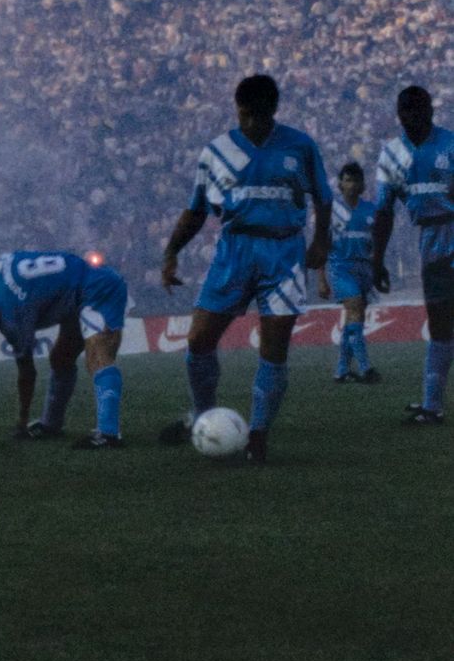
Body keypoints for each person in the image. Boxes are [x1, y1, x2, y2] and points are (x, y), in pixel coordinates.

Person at [157, 73, 330, 464]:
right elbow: (196, 209)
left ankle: (258, 434)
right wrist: (171, 252)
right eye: (245, 115)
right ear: (237, 109)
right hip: (233, 251)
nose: (250, 123)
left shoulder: (300, 146)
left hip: (284, 252)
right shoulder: (216, 152)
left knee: (273, 350)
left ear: (274, 110)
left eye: (259, 116)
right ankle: (202, 415)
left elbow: (323, 198)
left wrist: (321, 242)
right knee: (199, 340)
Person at [0, 250, 128, 447]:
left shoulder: (9, 317)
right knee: (60, 359)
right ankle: (51, 424)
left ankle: (108, 433)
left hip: (98, 288)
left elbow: (27, 373)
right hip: (79, 286)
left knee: (98, 357)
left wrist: (22, 420)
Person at [371, 83, 454, 426]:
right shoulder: (391, 155)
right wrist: (376, 259)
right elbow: (384, 211)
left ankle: (432, 404)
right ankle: (431, 405)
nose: (411, 119)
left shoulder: (449, 144)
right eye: (405, 114)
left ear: (431, 113)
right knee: (440, 322)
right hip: (431, 243)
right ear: (398, 116)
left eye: (418, 112)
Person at [319, 163, 381, 384]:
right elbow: (322, 246)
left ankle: (341, 370)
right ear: (340, 184)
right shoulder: (332, 211)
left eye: (356, 181)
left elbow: (376, 244)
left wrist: (378, 268)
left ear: (363, 185)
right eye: (347, 180)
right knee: (354, 308)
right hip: (341, 268)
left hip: (363, 270)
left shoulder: (371, 210)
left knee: (355, 318)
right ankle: (366, 368)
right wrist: (322, 279)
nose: (352, 185)